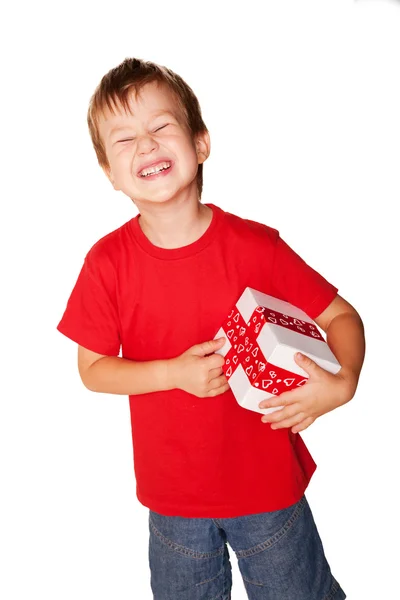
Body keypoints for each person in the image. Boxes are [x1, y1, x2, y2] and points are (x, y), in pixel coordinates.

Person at [57, 57, 365, 600]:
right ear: (108, 172)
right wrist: (173, 373)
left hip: (269, 488)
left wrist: (340, 385)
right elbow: (93, 371)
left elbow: (341, 317)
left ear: (200, 143)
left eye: (161, 127)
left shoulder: (255, 246)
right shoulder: (106, 263)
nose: (146, 145)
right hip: (174, 501)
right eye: (124, 139)